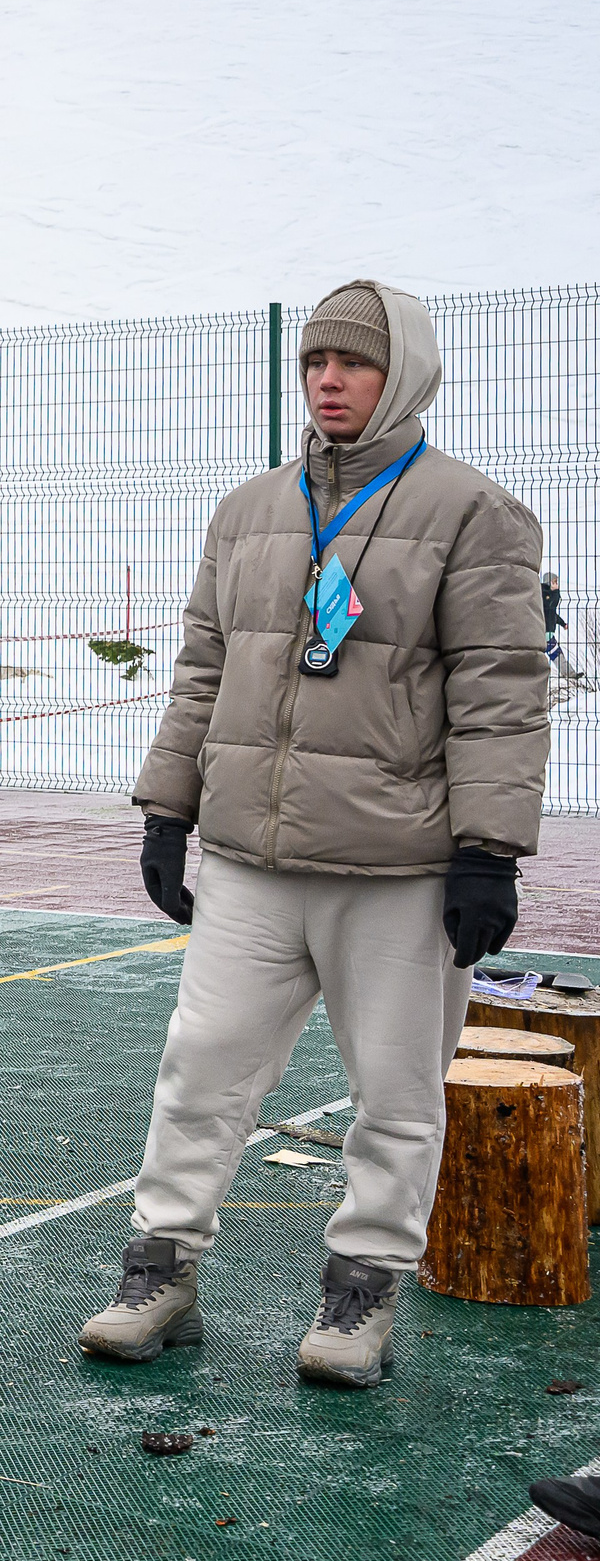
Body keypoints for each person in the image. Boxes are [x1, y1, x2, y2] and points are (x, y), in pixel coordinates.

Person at [83, 281, 549, 1388]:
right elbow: (202, 671)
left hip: (396, 864)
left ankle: (360, 1293)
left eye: (355, 363)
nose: (329, 381)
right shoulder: (249, 511)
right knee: (200, 1070)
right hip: (250, 858)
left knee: (394, 1093)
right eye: (313, 363)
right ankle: (159, 1270)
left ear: (407, 374)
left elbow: (500, 695)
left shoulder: (473, 515)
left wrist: (487, 849)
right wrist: (168, 809)